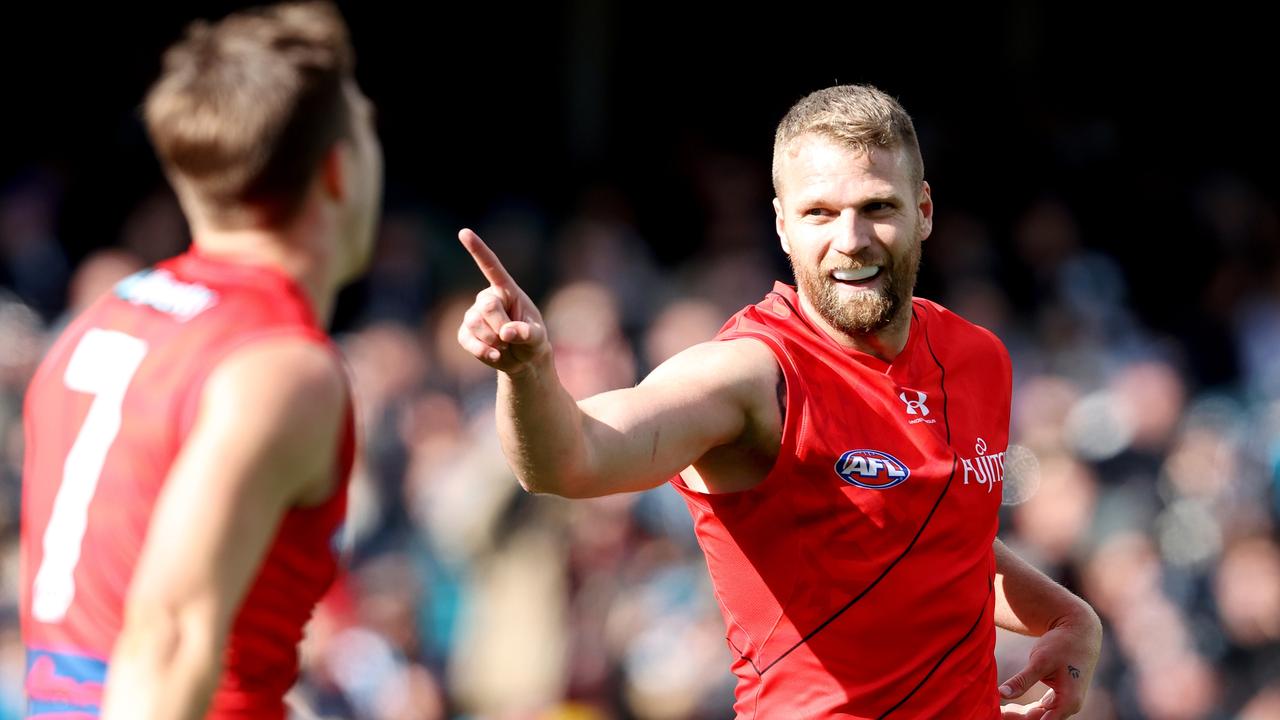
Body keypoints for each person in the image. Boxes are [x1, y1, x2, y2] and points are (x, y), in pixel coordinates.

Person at [457, 84, 1102, 719]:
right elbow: (569, 460)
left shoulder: (977, 357)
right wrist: (527, 372)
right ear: (781, 225)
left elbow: (939, 536)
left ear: (924, 212)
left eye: (877, 206)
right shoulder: (752, 377)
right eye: (819, 212)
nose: (850, 239)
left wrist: (1068, 616)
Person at [19, 2, 381, 718]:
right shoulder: (281, 370)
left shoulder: (103, 317)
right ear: (338, 172)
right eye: (370, 131)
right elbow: (169, 646)